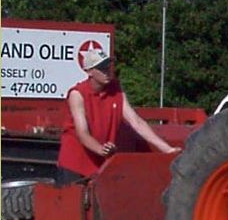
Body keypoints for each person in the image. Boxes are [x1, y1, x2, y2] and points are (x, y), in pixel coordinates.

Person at [56, 48, 180, 186]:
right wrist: (101, 149)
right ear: (89, 71)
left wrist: (167, 149)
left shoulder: (116, 89)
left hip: (101, 161)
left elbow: (136, 122)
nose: (107, 71)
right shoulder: (77, 94)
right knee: (72, 199)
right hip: (75, 163)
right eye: (101, 68)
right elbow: (82, 133)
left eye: (108, 66)